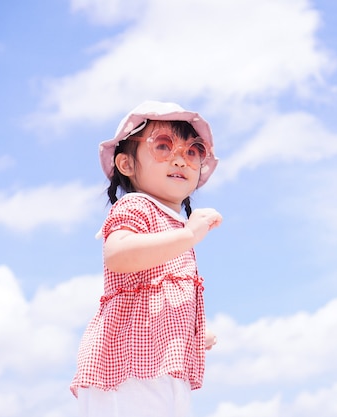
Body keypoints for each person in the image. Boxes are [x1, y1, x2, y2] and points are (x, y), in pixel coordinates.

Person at [70, 100, 223, 417]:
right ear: (126, 164)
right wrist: (188, 235)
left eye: (192, 151)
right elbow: (118, 255)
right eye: (164, 147)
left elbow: (161, 292)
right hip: (126, 366)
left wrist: (190, 330)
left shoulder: (176, 226)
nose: (180, 160)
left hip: (162, 362)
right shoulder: (135, 206)